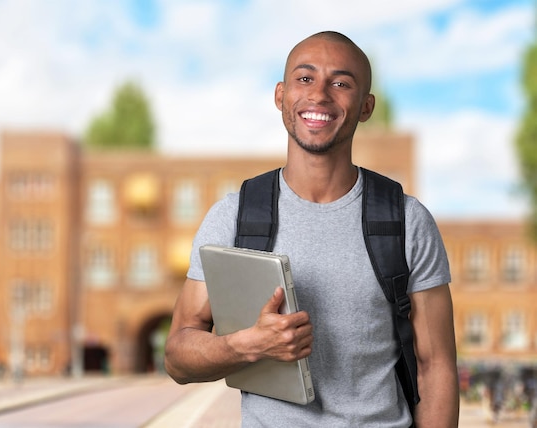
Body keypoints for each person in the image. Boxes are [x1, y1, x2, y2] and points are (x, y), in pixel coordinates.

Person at [164, 31, 459, 427]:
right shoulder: (232, 218)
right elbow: (178, 357)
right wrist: (245, 346)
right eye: (305, 79)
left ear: (366, 106)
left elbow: (436, 364)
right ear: (280, 96)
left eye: (340, 83)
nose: (319, 94)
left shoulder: (407, 221)